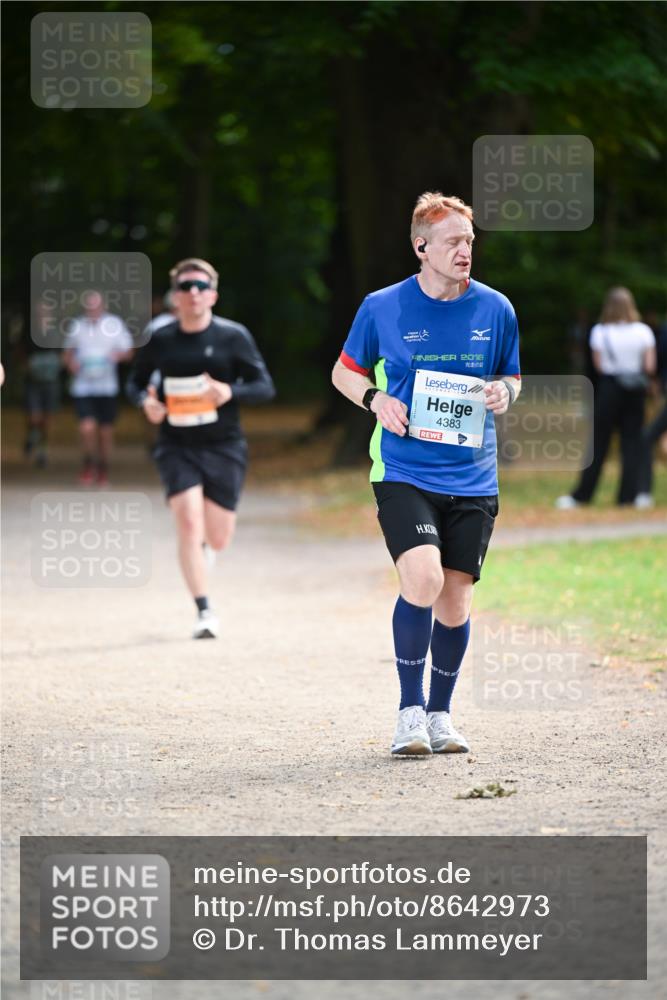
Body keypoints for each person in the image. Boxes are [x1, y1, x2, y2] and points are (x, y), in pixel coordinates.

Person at [331, 192, 521, 756]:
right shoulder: (382, 306)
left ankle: (441, 715)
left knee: (455, 601)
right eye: (452, 242)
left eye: (469, 241)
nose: (465, 251)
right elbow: (344, 373)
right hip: (405, 469)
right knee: (423, 580)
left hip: (473, 477)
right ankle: (409, 712)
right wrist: (375, 400)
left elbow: (512, 376)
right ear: (422, 247)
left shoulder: (496, 308)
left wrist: (503, 393)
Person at [126, 258, 275, 639]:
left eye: (200, 286)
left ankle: (206, 550)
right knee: (188, 522)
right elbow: (136, 383)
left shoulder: (232, 336)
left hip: (224, 445)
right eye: (185, 287)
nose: (192, 293)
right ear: (174, 297)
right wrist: (147, 402)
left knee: (219, 536)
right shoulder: (160, 340)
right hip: (176, 445)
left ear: (213, 295)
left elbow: (264, 387)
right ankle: (204, 610)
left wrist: (229, 392)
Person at [556, 287, 656, 509]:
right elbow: (649, 366)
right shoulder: (643, 331)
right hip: (635, 391)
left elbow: (599, 366)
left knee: (599, 443)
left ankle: (583, 495)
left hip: (610, 388)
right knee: (631, 443)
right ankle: (628, 497)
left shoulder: (600, 331)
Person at [64, 290, 134, 487]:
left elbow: (128, 352)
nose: (92, 310)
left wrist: (115, 357)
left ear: (103, 306)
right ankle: (88, 464)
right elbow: (67, 353)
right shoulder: (77, 326)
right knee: (87, 428)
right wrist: (72, 365)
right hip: (83, 386)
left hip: (107, 387)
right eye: (89, 306)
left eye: (96, 306)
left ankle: (103, 468)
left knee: (105, 431)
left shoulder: (114, 325)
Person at [23, 300, 63, 468]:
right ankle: (32, 436)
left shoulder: (56, 333)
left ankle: (42, 452)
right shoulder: (28, 332)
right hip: (33, 381)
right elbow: (20, 353)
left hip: (51, 380)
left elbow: (63, 353)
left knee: (47, 419)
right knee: (34, 417)